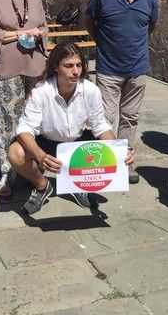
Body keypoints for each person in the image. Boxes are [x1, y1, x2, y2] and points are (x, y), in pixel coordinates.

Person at [8, 42, 135, 214]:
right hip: (46, 142)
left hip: (77, 144)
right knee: (15, 152)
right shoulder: (41, 91)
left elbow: (100, 125)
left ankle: (77, 183)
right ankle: (42, 186)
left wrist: (119, 150)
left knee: (101, 150)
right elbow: (24, 129)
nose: (75, 71)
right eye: (68, 66)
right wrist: (41, 156)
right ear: (56, 68)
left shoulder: (91, 91)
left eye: (78, 65)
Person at [86, 0, 159, 184]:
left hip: (137, 70)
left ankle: (126, 162)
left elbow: (150, 27)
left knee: (130, 117)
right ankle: (106, 162)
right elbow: (90, 23)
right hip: (108, 69)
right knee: (105, 118)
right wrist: (105, 45)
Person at [0, 0, 47, 199]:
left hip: (35, 66)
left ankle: (33, 173)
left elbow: (43, 26)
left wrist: (37, 33)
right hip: (7, 66)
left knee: (33, 123)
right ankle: (6, 175)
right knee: (8, 124)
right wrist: (21, 34)